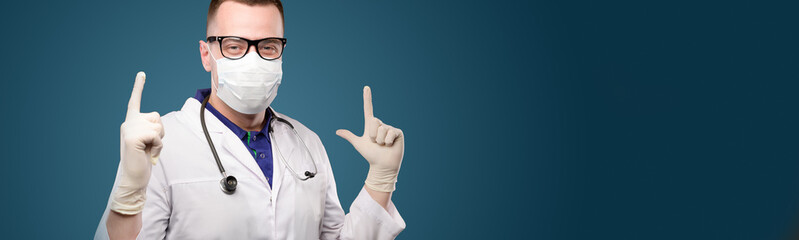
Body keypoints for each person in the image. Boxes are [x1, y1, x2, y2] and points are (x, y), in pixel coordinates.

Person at [94, 0, 406, 239]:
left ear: (281, 53)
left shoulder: (307, 143)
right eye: (234, 46)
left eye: (268, 47)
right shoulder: (161, 142)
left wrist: (381, 179)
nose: (253, 59)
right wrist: (129, 196)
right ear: (206, 54)